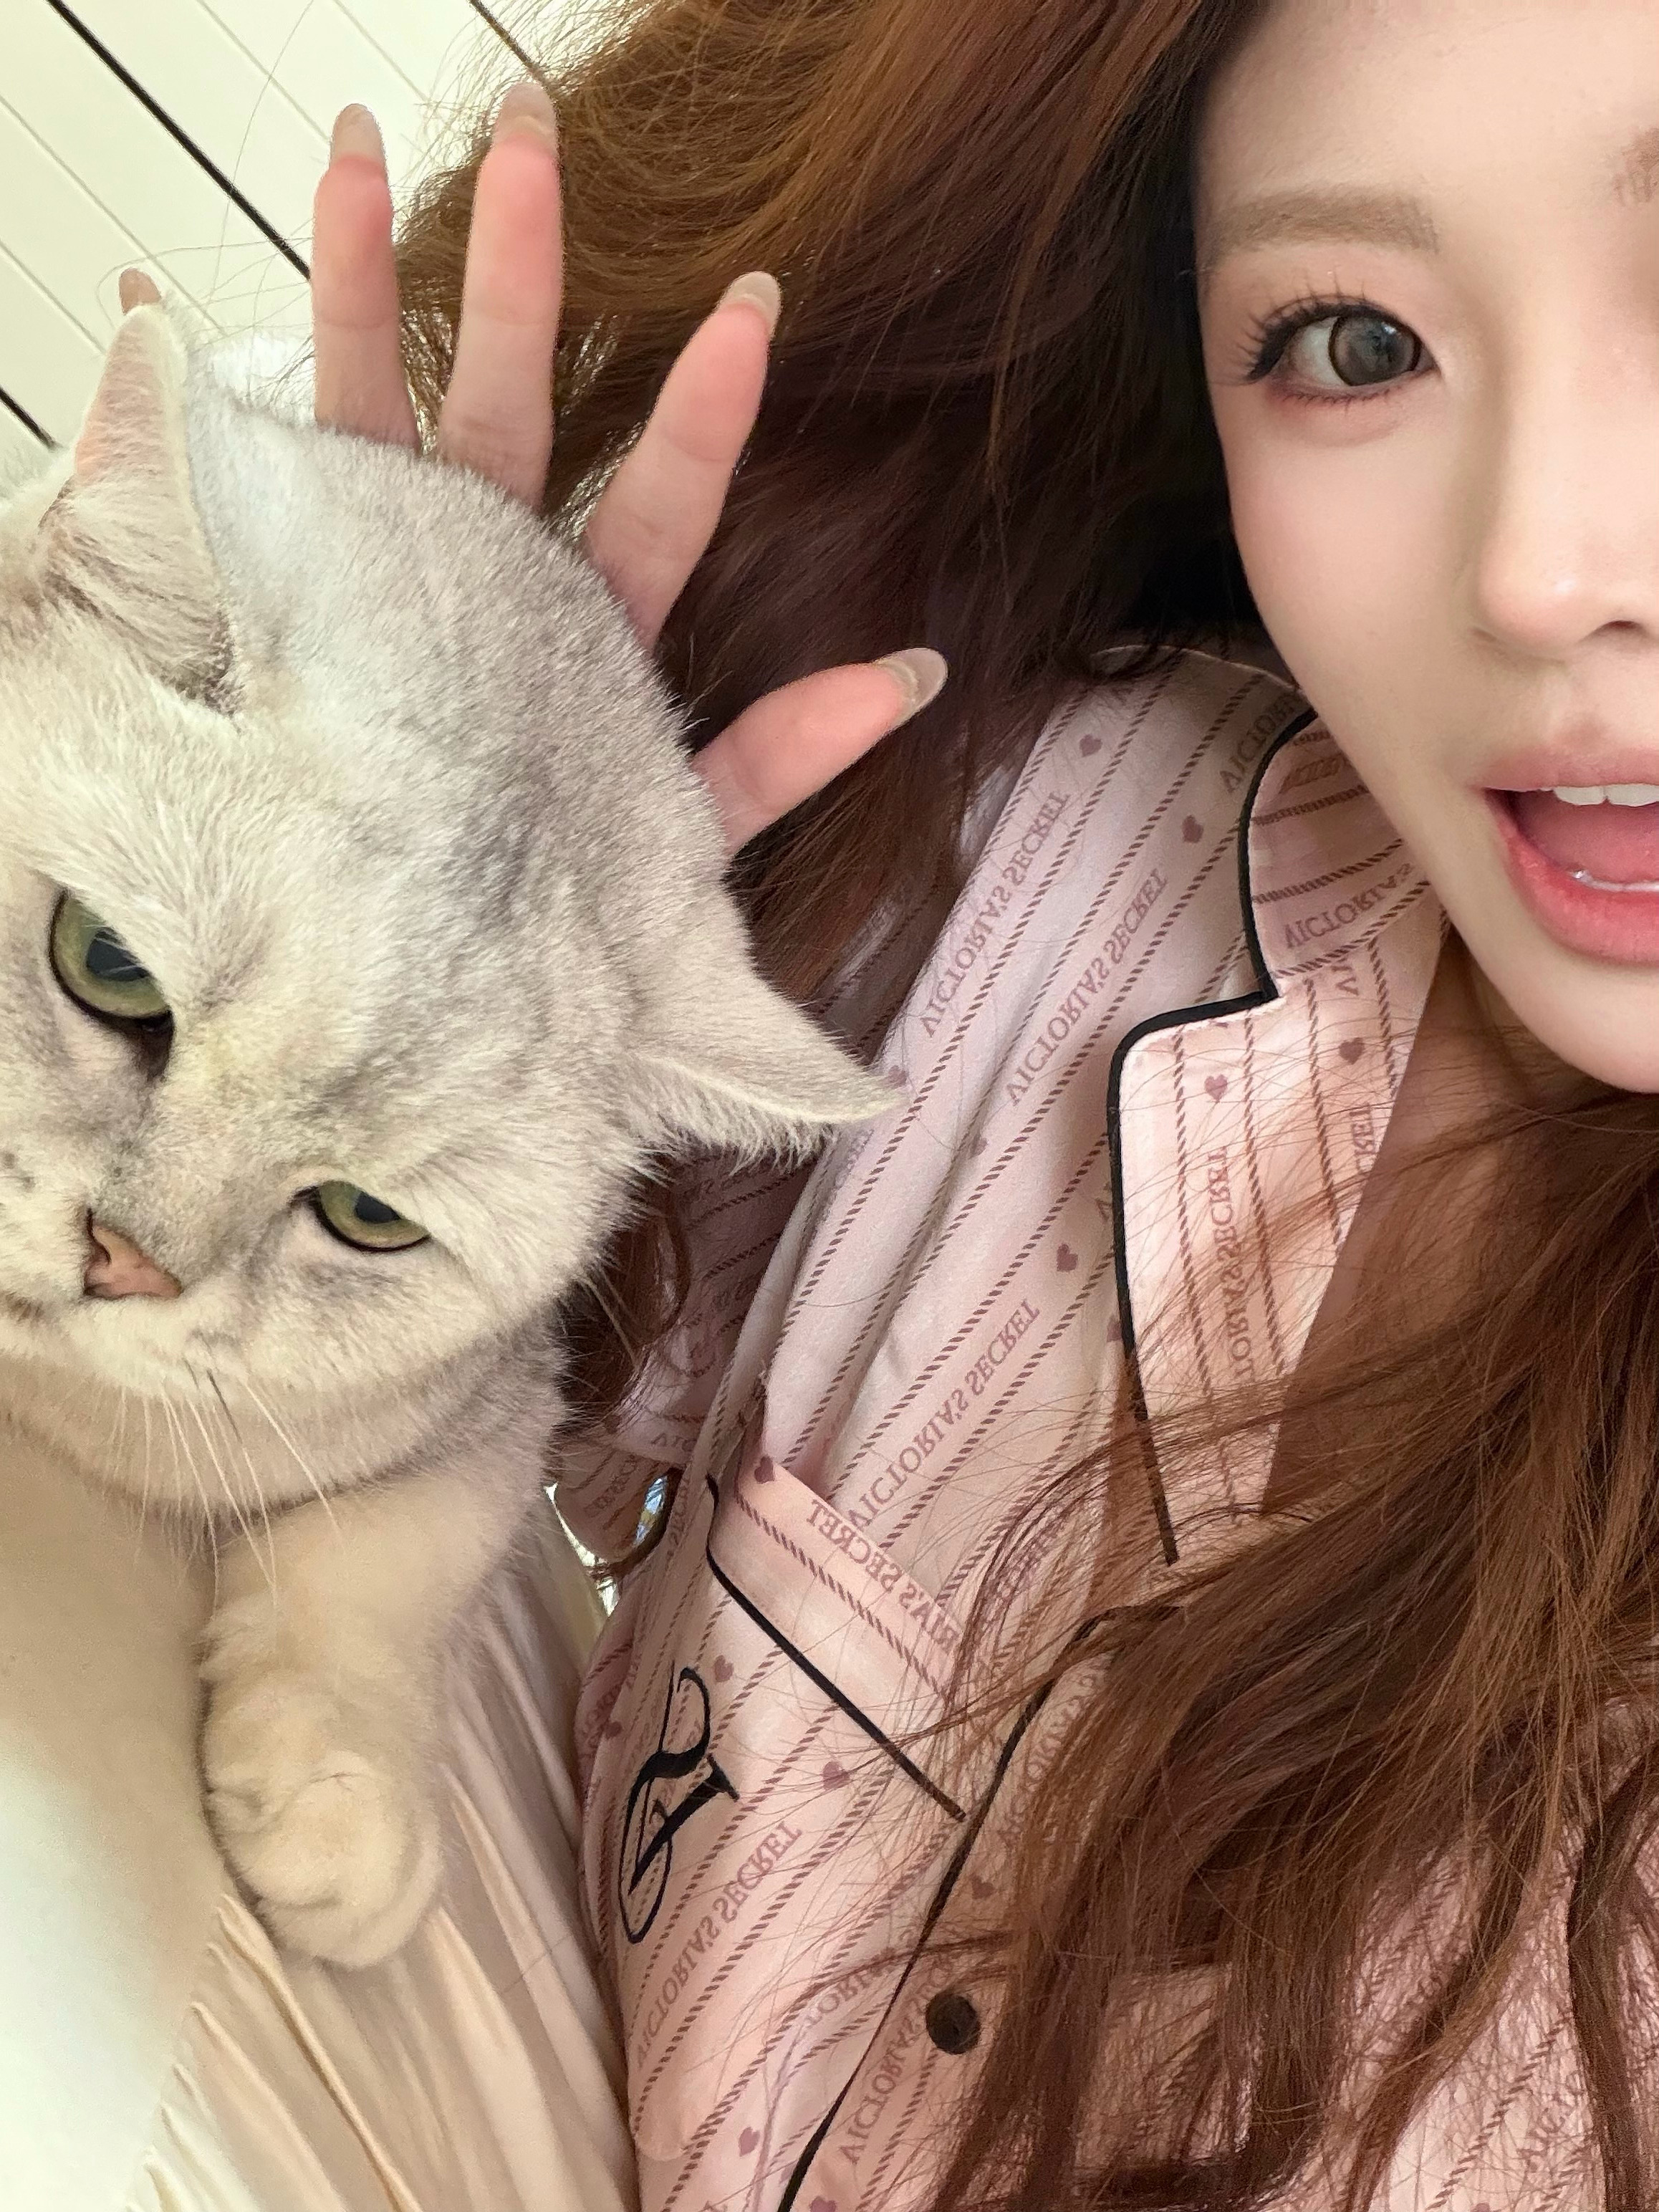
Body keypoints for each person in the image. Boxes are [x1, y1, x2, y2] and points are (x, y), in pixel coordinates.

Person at [1, 0, 1650, 2206]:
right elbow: (470, 1371)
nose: (1539, 570)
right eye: (1346, 342)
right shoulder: (1044, 867)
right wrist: (402, 870)